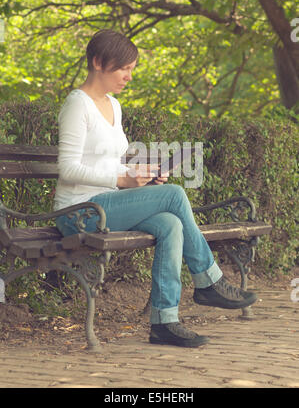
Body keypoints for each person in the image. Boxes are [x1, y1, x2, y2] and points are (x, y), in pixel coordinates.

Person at [54, 29, 257, 348]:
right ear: (97, 62)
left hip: (108, 204)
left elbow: (111, 162)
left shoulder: (114, 106)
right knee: (175, 195)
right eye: (124, 68)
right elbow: (66, 168)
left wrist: (138, 175)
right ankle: (209, 281)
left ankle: (164, 321)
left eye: (131, 69)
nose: (129, 77)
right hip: (79, 212)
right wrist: (123, 180)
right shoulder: (77, 105)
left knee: (171, 223)